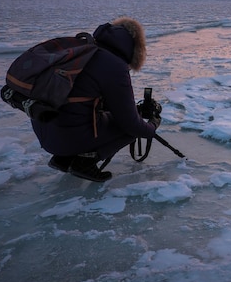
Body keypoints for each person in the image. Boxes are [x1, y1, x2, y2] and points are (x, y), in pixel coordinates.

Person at [31, 17, 161, 182]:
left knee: (82, 113)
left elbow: (91, 101)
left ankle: (63, 159)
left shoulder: (83, 51)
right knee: (129, 130)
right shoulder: (114, 66)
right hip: (66, 137)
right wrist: (152, 126)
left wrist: (135, 111)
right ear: (134, 48)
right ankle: (84, 162)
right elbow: (131, 125)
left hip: (46, 133)